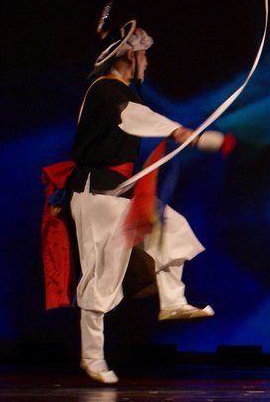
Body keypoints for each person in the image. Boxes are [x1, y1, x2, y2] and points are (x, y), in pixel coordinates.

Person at [68, 21, 213, 384]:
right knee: (103, 273)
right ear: (130, 56)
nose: (147, 63)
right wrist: (178, 131)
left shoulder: (114, 91)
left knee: (172, 228)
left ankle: (173, 301)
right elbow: (134, 117)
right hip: (96, 193)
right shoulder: (106, 90)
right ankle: (92, 357)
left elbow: (135, 114)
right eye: (144, 55)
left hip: (118, 192)